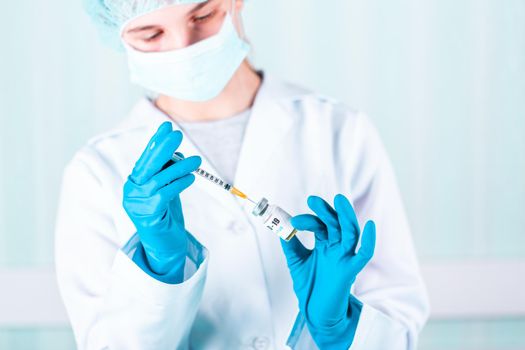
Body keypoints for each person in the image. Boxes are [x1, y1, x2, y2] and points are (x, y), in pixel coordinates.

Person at [54, 0, 430, 349]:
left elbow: (397, 316)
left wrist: (341, 331)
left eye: (202, 16)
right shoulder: (97, 170)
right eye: (151, 34)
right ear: (120, 35)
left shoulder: (338, 130)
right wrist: (158, 271)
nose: (184, 46)